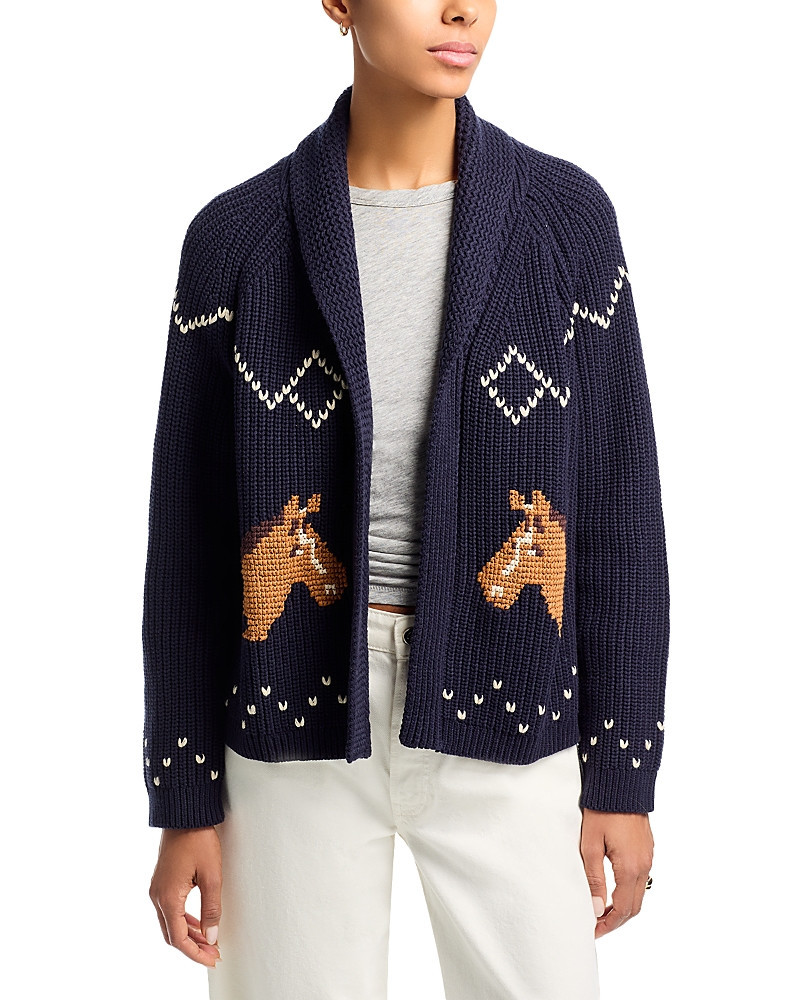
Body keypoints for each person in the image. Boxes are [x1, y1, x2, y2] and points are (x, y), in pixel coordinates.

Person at [144, 2, 669, 997]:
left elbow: (617, 520)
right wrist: (184, 796)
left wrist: (621, 774)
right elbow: (187, 544)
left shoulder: (565, 223)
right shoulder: (235, 241)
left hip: (512, 705)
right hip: (291, 725)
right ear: (339, 4)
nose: (461, 8)